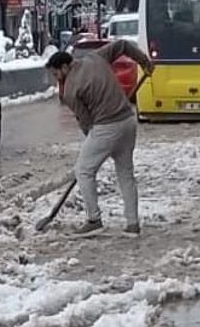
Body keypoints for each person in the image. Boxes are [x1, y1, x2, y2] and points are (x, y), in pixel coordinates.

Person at [45, 41, 154, 235]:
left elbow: (86, 122)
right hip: (128, 121)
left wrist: (94, 143)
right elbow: (122, 45)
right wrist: (144, 61)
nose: (56, 79)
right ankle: (132, 223)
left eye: (56, 74)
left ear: (65, 66)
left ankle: (93, 219)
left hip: (106, 126)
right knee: (125, 173)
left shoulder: (70, 90)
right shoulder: (95, 57)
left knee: (84, 170)